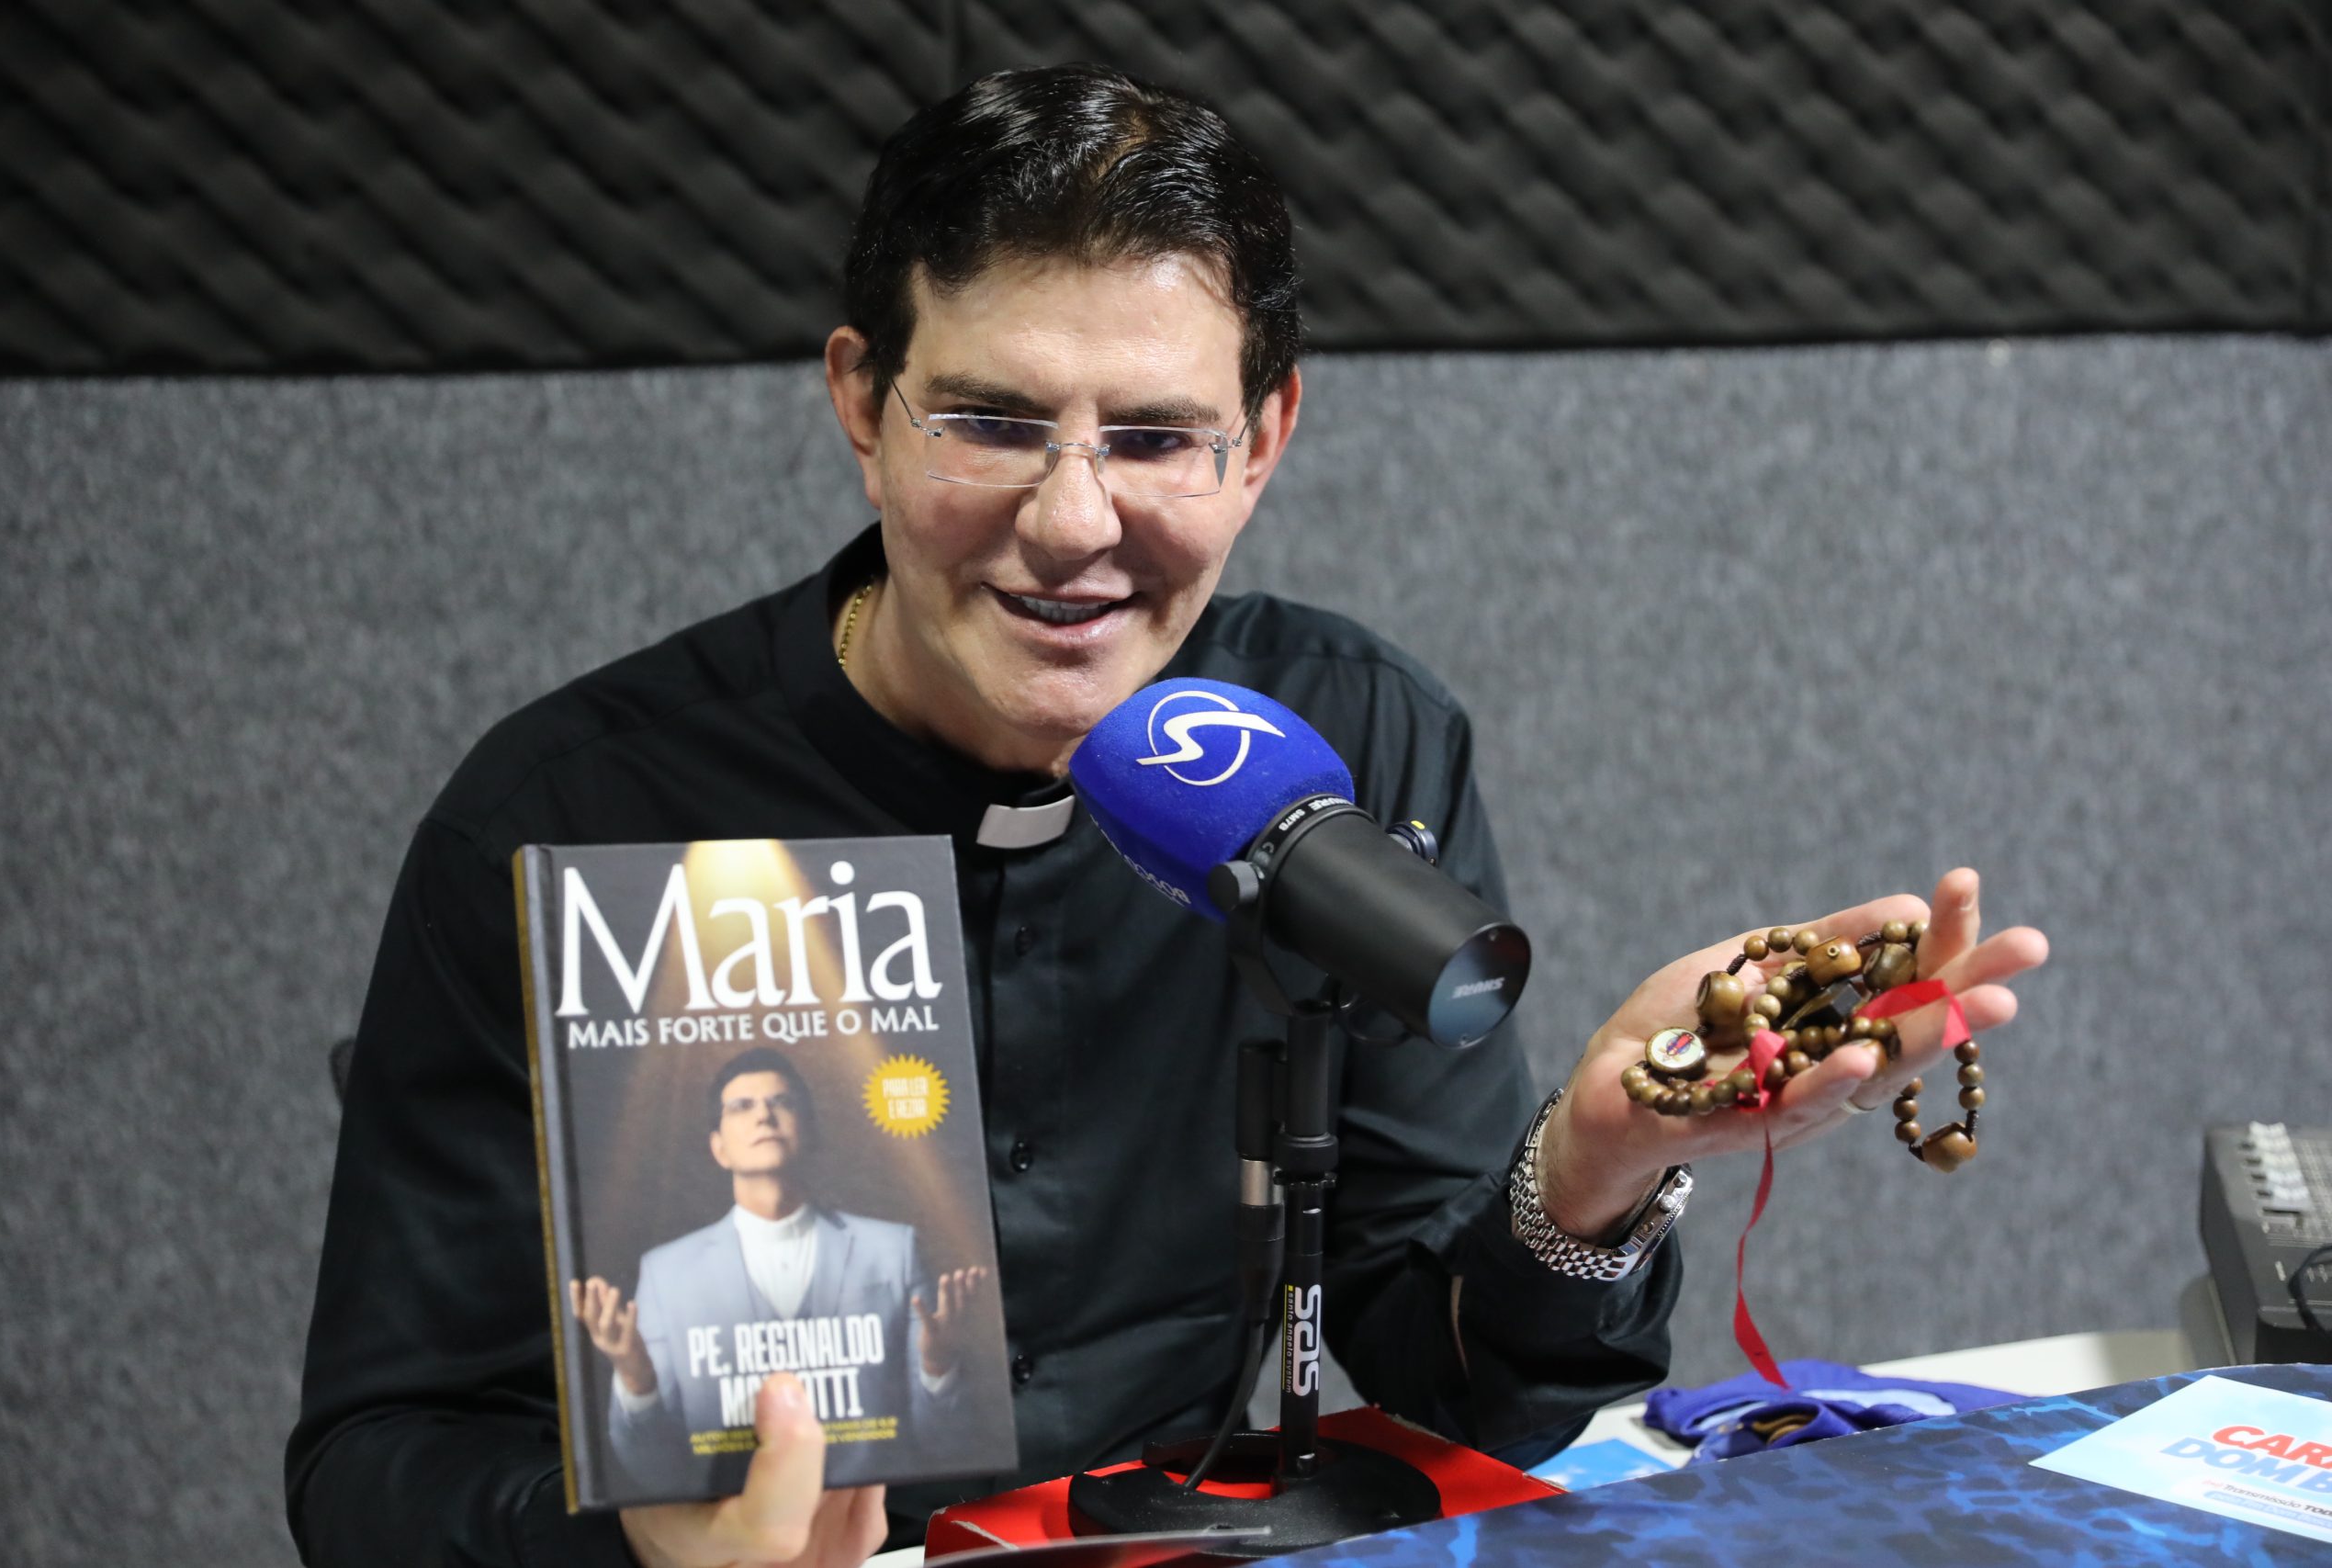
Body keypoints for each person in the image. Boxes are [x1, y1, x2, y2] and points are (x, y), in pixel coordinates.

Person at [286, 62, 2047, 1568]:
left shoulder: (1354, 737)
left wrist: (1593, 1169)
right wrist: (639, 1545)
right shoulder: (573, 815)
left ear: (1261, 440)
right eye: (992, 421)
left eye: (1153, 437)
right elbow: (376, 1460)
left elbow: (1453, 1380)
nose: (1074, 522)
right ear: (860, 404)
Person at [569, 1049, 988, 1495]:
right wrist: (636, 1380)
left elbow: (944, 1443)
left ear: (809, 1129)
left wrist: (939, 1366)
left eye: (782, 1102)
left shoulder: (893, 1250)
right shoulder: (665, 1273)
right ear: (718, 1148)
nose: (764, 1116)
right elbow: (656, 1471)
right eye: (741, 1106)